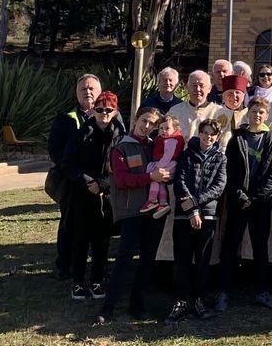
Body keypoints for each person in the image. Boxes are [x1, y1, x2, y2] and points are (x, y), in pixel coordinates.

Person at [94, 106, 169, 325]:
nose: (147, 127)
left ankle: (137, 304)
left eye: (153, 124)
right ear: (135, 120)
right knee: (124, 258)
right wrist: (150, 176)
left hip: (154, 211)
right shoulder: (121, 148)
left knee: (147, 259)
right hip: (131, 211)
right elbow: (122, 180)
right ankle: (108, 307)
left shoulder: (156, 147)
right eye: (144, 121)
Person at [216, 97, 272, 312]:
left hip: (260, 204)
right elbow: (230, 170)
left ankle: (262, 291)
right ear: (248, 113)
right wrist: (240, 196)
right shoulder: (237, 138)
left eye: (261, 112)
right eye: (254, 111)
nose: (257, 115)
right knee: (230, 246)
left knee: (260, 248)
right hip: (238, 202)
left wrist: (256, 198)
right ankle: (223, 291)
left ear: (266, 115)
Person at [61, 89, 124, 301]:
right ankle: (78, 282)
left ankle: (97, 280)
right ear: (94, 111)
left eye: (108, 110)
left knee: (102, 241)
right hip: (82, 194)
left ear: (115, 112)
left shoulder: (121, 138)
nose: (103, 113)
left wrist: (103, 184)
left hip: (107, 197)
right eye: (99, 109)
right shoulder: (81, 134)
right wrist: (88, 182)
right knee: (80, 240)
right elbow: (68, 163)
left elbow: (121, 167)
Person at [165, 119, 228, 323]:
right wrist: (192, 210)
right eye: (205, 132)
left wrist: (197, 202)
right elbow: (180, 181)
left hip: (208, 215)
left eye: (212, 134)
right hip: (185, 215)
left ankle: (199, 299)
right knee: (182, 259)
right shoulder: (187, 154)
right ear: (199, 133)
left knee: (202, 260)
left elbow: (219, 186)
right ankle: (181, 301)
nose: (208, 137)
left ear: (217, 137)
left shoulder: (220, 158)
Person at [48, 74, 102, 280]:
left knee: (98, 227)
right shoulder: (65, 118)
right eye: (83, 89)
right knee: (69, 225)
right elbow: (55, 149)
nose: (87, 92)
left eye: (91, 89)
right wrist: (77, 175)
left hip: (99, 185)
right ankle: (65, 264)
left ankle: (98, 266)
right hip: (73, 182)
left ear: (99, 92)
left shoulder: (111, 115)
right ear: (76, 93)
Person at [140, 114, 184, 216]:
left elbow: (168, 155)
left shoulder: (171, 140)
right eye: (161, 128)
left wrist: (158, 167)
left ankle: (152, 200)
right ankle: (163, 202)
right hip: (165, 163)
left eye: (167, 128)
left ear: (175, 129)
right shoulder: (164, 139)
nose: (164, 131)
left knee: (155, 179)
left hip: (167, 163)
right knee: (161, 183)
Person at [173, 70, 220, 140]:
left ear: (209, 88)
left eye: (201, 85)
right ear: (187, 88)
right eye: (194, 85)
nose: (197, 89)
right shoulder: (175, 111)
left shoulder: (219, 112)